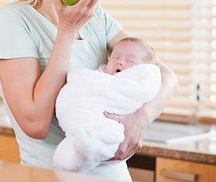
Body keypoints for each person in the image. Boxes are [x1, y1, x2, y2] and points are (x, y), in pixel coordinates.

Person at [0, 0, 177, 182]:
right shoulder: (14, 20)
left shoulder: (95, 17)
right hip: (51, 179)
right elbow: (35, 124)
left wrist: (142, 117)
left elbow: (166, 76)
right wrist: (66, 30)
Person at [53, 37, 161, 173]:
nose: (120, 62)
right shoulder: (99, 76)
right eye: (115, 57)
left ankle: (82, 152)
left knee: (106, 135)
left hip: (110, 129)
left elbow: (142, 92)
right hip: (86, 112)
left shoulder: (139, 83)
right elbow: (82, 86)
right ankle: (79, 148)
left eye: (131, 61)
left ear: (143, 69)